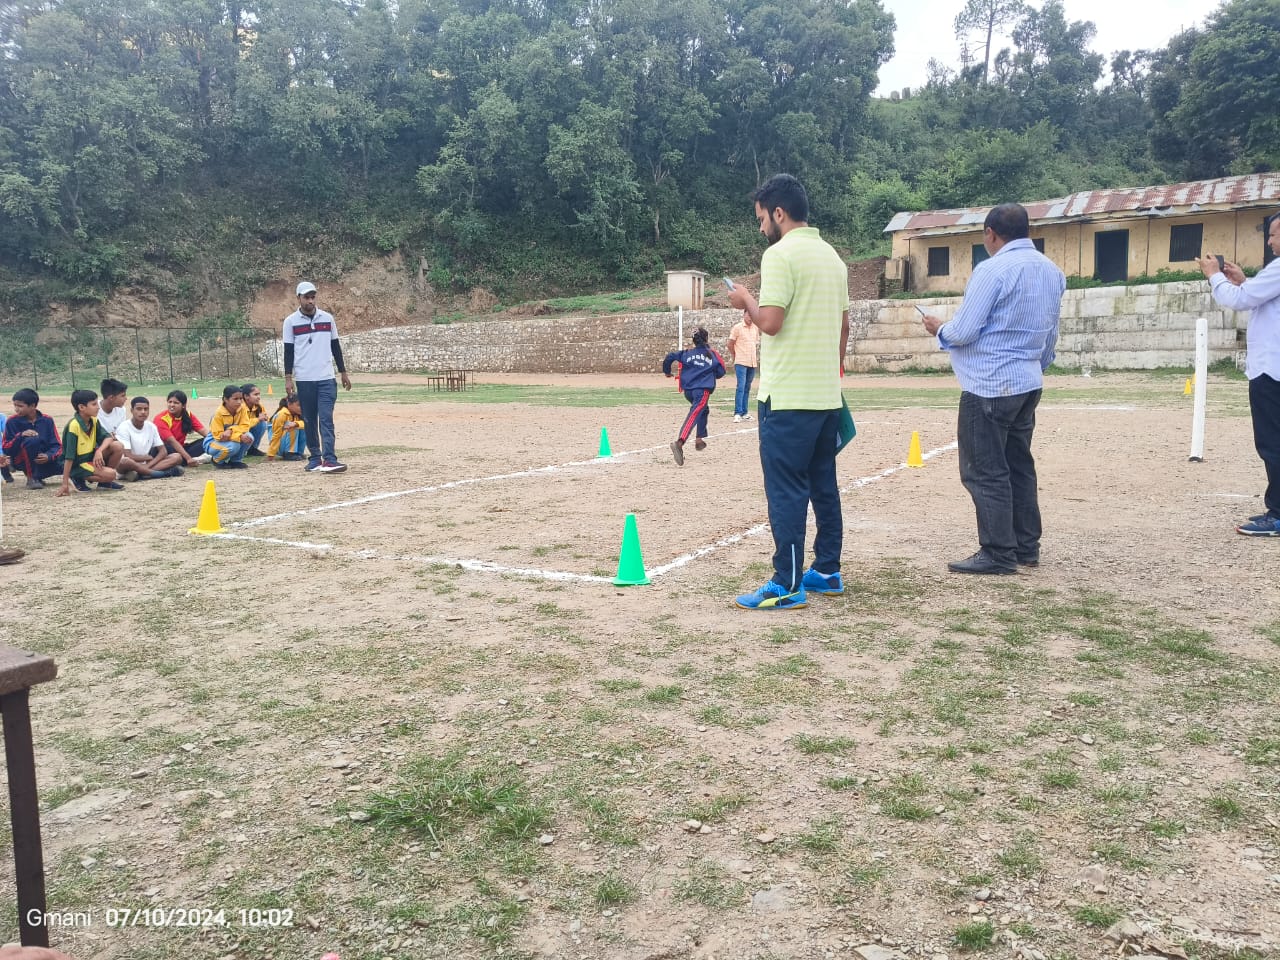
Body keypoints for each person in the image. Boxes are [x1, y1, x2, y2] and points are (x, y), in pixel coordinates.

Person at [726, 173, 850, 610]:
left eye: (762, 219)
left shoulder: (779, 255)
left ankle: (787, 582)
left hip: (787, 400)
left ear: (779, 213)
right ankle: (827, 570)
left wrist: (746, 300)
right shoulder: (834, 259)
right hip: (825, 398)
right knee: (823, 485)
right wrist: (830, 374)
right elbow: (843, 326)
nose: (761, 228)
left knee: (786, 491)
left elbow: (771, 322)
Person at [920, 202, 1065, 575]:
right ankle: (1026, 547)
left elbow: (965, 330)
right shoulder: (1052, 272)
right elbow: (1051, 331)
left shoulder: (991, 270)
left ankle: (998, 552)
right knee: (1019, 465)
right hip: (1028, 381)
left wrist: (939, 329)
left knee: (985, 470)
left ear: (990, 233)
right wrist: (1037, 365)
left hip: (989, 384)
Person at [1200, 216, 1280, 536]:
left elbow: (1238, 300)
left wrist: (1214, 276)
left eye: (1273, 235)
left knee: (1272, 443)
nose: (1270, 242)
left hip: (1271, 370)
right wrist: (1244, 281)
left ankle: (1277, 513)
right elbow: (1258, 299)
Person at [283, 281, 351, 473]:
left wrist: (343, 372)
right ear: (299, 298)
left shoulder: (327, 318)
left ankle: (329, 459)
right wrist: (288, 378)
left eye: (313, 297)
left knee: (326, 418)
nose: (310, 301)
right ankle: (314, 458)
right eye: (306, 297)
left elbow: (335, 346)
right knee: (310, 419)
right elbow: (288, 351)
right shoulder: (290, 322)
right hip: (304, 379)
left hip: (326, 378)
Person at [662, 327, 726, 465]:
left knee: (704, 409)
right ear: (706, 339)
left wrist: (667, 371)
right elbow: (721, 371)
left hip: (688, 391)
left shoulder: (687, 353)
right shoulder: (712, 354)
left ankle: (699, 439)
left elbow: (670, 356)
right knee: (695, 412)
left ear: (694, 341)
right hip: (702, 390)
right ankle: (680, 442)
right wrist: (710, 373)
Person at [56, 389, 125, 495]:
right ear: (81, 407)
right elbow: (69, 458)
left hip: (89, 459)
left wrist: (99, 451)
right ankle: (75, 477)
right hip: (76, 464)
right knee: (111, 474)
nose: (98, 407)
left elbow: (108, 437)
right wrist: (64, 483)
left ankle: (104, 483)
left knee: (118, 446)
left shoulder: (93, 420)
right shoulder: (74, 426)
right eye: (94, 404)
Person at [3, 389, 63, 489]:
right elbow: (6, 448)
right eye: (15, 405)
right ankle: (32, 478)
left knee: (68, 459)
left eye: (20, 406)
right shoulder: (12, 421)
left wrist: (48, 456)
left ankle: (38, 475)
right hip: (21, 460)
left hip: (44, 459)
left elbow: (56, 444)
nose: (16, 409)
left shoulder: (47, 420)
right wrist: (20, 435)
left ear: (32, 406)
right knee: (32, 439)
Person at [115, 397, 184, 480]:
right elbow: (128, 455)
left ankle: (140, 474)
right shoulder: (124, 427)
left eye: (146, 409)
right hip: (129, 464)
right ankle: (161, 474)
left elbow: (163, 451)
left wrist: (147, 465)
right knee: (125, 461)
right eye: (139, 409)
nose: (143, 412)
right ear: (132, 410)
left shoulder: (151, 427)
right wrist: (146, 458)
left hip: (147, 464)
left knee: (177, 457)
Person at [155, 390, 211, 467]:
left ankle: (182, 461)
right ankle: (182, 460)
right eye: (170, 402)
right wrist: (188, 458)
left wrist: (215, 441)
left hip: (181, 449)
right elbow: (172, 442)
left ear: (183, 405)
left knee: (207, 440)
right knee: (170, 449)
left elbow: (204, 432)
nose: (172, 405)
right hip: (166, 450)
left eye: (176, 403)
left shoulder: (188, 415)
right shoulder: (161, 419)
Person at [204, 384, 253, 468]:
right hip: (213, 442)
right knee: (234, 446)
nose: (239, 402)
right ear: (225, 399)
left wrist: (231, 430)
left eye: (241, 398)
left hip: (230, 438)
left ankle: (235, 461)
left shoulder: (242, 409)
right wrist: (239, 436)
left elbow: (245, 426)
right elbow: (219, 436)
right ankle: (217, 460)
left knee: (249, 437)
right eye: (235, 399)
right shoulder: (218, 414)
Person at [727, 310, 760, 422]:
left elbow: (754, 343)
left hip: (752, 362)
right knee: (741, 386)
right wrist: (734, 355)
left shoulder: (755, 328)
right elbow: (730, 343)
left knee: (747, 387)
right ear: (744, 315)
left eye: (752, 315)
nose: (750, 317)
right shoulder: (738, 328)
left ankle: (745, 412)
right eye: (748, 315)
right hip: (741, 361)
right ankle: (737, 412)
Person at [266, 394, 306, 461]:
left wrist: (296, 423)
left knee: (302, 427)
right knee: (291, 426)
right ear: (289, 404)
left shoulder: (297, 413)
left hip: (287, 443)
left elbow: (307, 424)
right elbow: (276, 435)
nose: (301, 408)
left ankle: (298, 452)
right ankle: (289, 453)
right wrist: (271, 454)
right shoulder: (282, 414)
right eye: (299, 405)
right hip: (279, 446)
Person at [241, 383, 269, 457]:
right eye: (255, 394)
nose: (258, 397)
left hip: (248, 429)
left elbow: (265, 417)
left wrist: (265, 418)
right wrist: (258, 419)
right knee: (259, 422)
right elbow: (242, 425)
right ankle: (240, 451)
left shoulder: (258, 406)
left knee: (262, 424)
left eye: (259, 394)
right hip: (240, 431)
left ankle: (252, 449)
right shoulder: (240, 407)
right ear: (246, 396)